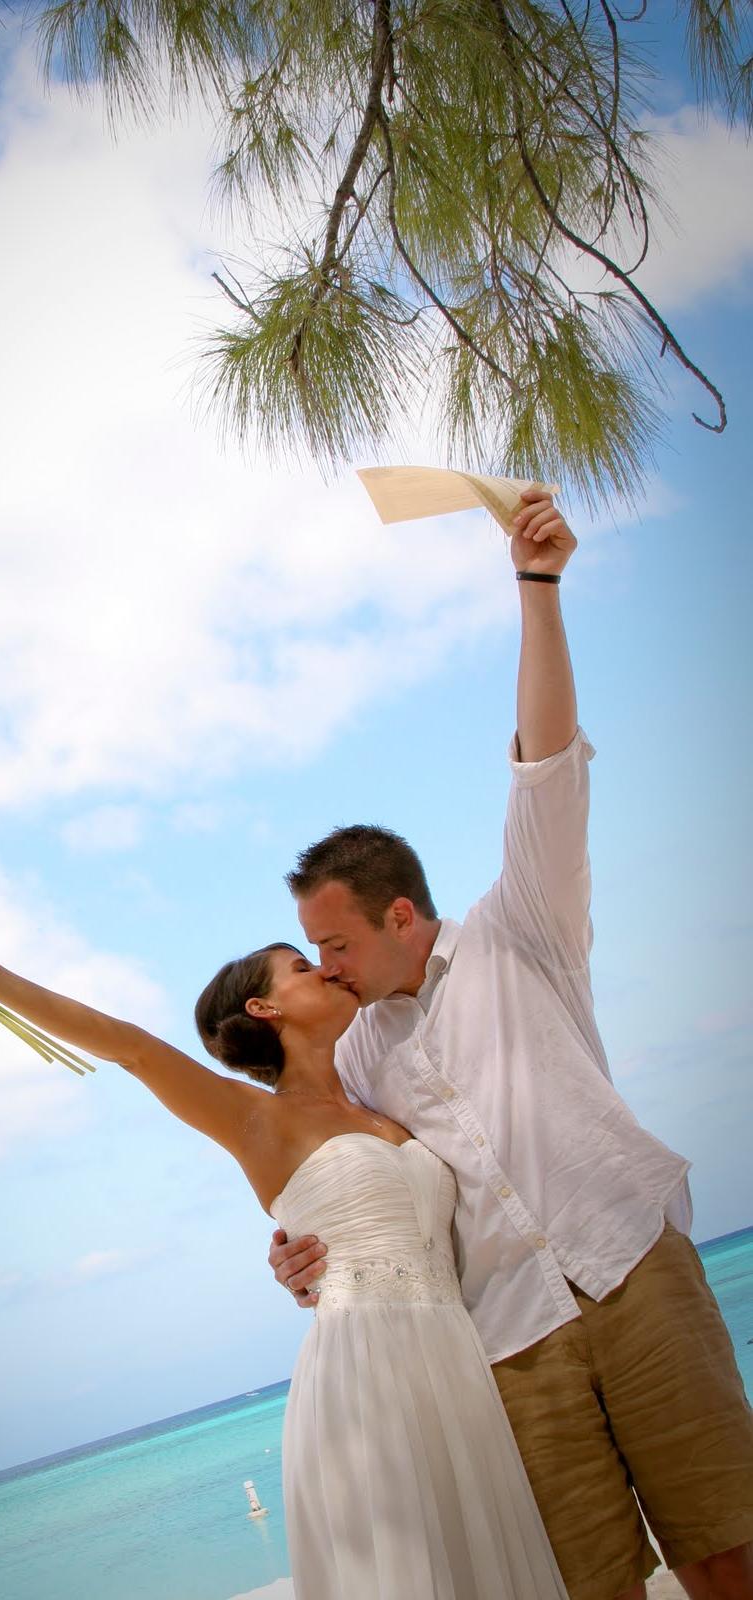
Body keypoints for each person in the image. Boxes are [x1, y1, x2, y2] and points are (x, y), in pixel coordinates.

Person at [269, 489, 753, 1600]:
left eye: (333, 941)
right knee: (587, 1586)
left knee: (725, 1547)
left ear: (399, 914)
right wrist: (301, 1253)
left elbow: (544, 764)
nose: (326, 966)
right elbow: (345, 1182)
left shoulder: (520, 925)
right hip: (508, 1340)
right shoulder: (354, 1061)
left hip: (629, 1266)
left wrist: (534, 589)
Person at [0, 953, 567, 1595]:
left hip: (456, 1363)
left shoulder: (380, 1106)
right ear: (263, 1007)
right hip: (367, 1374)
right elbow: (130, 1047)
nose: (326, 968)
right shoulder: (254, 1119)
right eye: (301, 966)